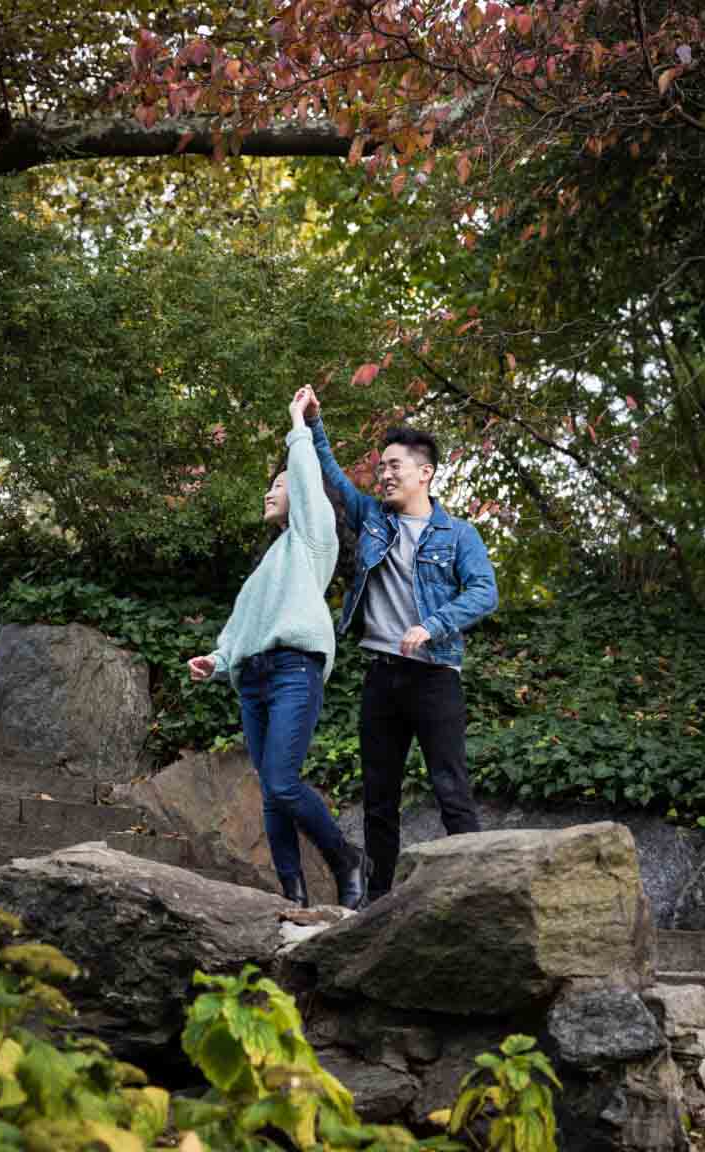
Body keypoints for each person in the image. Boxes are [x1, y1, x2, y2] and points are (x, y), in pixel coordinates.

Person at [302, 386, 498, 902]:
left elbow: (485, 591)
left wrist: (432, 624)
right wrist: (315, 425)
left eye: (393, 466)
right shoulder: (374, 521)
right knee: (378, 801)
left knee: (452, 793)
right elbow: (337, 485)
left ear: (424, 472)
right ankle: (380, 902)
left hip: (435, 676)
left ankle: (480, 897)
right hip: (383, 678)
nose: (383, 474)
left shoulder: (458, 536)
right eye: (381, 467)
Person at [187, 388, 367, 910]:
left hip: (294, 670)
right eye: (270, 485)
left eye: (280, 484)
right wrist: (217, 661)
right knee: (271, 794)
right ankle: (292, 895)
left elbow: (309, 479)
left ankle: (346, 858)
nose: (271, 491)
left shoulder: (314, 541)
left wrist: (299, 423)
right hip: (254, 681)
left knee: (284, 783)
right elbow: (240, 629)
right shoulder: (267, 567)